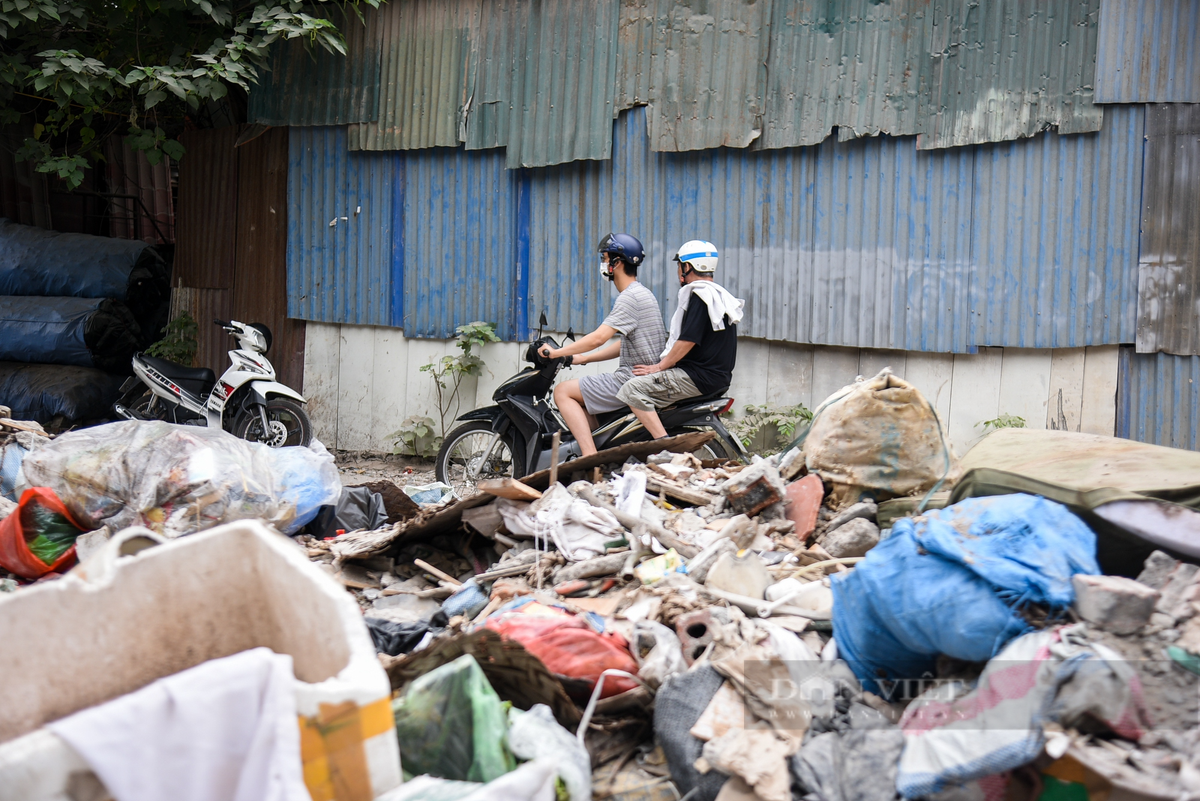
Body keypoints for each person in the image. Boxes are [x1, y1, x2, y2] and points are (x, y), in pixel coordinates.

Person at [538, 233, 667, 456]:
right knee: (584, 403)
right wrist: (585, 359)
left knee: (562, 391)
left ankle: (589, 457)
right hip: (642, 376)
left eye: (606, 259)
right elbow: (627, 343)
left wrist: (557, 352)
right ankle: (605, 451)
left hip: (631, 379)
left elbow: (598, 338)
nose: (604, 264)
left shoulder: (629, 298)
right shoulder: (644, 294)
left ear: (617, 263)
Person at [616, 239, 743, 440]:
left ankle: (663, 445)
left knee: (632, 389)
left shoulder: (700, 296)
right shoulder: (718, 296)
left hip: (696, 377)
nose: (678, 270)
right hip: (712, 377)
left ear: (687, 267)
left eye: (679, 265)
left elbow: (687, 341)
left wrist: (659, 367)